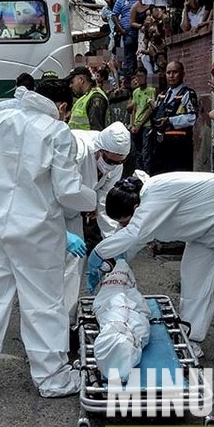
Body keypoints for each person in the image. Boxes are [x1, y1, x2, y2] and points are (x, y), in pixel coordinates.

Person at [0, 78, 97, 398]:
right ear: (60, 107)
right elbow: (68, 191)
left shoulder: (1, 119)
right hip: (36, 233)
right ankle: (52, 378)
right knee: (44, 304)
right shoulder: (57, 132)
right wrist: (94, 200)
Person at [86, 172, 214, 376]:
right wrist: (115, 261)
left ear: (136, 210)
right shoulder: (142, 204)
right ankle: (192, 338)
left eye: (124, 222)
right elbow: (132, 238)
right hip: (204, 228)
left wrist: (99, 253)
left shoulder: (155, 195)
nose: (122, 227)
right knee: (195, 282)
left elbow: (134, 233)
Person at [63, 122, 131, 322]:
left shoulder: (116, 164)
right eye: (109, 160)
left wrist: (114, 244)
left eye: (118, 162)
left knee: (72, 266)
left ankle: (67, 323)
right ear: (99, 150)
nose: (113, 165)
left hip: (76, 213)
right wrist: (58, 229)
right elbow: (55, 187)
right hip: (54, 209)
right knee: (48, 269)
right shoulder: (75, 149)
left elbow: (104, 199)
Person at [149, 61, 199, 174]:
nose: (171, 76)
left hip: (179, 146)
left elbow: (192, 118)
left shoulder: (188, 93)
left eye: (175, 72)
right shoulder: (162, 95)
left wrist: (170, 120)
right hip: (160, 145)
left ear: (182, 74)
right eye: (168, 73)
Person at [128, 68, 156, 172]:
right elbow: (134, 109)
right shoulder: (135, 92)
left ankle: (147, 172)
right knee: (137, 152)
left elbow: (150, 110)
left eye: (142, 76)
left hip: (146, 124)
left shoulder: (151, 90)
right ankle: (139, 173)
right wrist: (133, 124)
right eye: (138, 76)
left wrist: (140, 125)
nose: (140, 79)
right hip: (136, 124)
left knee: (146, 151)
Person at [112, 0, 139, 78]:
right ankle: (129, 74)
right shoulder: (121, 0)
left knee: (138, 54)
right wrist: (121, 29)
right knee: (128, 55)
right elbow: (114, 16)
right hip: (126, 32)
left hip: (138, 30)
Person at [67, 66, 108, 131]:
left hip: (88, 140)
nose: (70, 86)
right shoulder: (85, 97)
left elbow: (96, 131)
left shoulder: (95, 98)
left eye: (72, 82)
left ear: (81, 80)